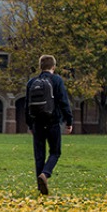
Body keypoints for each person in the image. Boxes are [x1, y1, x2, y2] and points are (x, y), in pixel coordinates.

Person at [25, 55, 73, 195]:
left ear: (40, 66)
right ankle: (45, 174)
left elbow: (27, 106)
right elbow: (64, 101)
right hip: (52, 121)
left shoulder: (32, 82)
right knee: (55, 151)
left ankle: (41, 187)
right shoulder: (57, 80)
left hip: (37, 123)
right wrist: (68, 121)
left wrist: (29, 124)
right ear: (54, 67)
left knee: (39, 155)